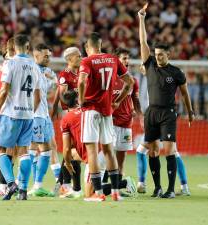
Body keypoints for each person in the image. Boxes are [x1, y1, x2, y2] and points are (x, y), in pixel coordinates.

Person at [138, 3, 194, 198]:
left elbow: (185, 94)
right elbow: (143, 41)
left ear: (168, 55)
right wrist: (141, 19)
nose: (158, 56)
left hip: (168, 113)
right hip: (151, 112)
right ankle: (157, 187)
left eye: (161, 54)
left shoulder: (176, 72)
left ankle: (170, 189)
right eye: (156, 54)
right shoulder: (150, 65)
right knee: (152, 151)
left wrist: (190, 112)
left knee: (169, 150)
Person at [78, 32, 134, 202]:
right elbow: (129, 82)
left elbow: (81, 82)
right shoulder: (113, 59)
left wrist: (81, 100)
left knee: (93, 151)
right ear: (100, 45)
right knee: (109, 151)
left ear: (88, 47)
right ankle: (116, 192)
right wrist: (117, 101)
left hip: (91, 110)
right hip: (107, 112)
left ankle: (97, 193)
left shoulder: (87, 61)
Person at [0, 34, 41, 200]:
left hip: (11, 113)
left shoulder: (10, 64)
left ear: (14, 48)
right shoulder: (34, 65)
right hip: (28, 114)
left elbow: (3, 91)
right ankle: (23, 190)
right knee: (24, 152)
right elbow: (38, 95)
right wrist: (31, 111)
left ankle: (10, 184)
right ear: (27, 47)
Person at [51, 46, 82, 198]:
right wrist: (71, 103)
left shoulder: (81, 72)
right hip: (70, 114)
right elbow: (62, 95)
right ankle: (67, 185)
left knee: (70, 151)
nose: (81, 57)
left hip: (79, 114)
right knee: (70, 150)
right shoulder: (65, 75)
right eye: (78, 56)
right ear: (70, 59)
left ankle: (62, 184)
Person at [27, 43, 56, 197]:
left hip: (44, 114)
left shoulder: (47, 72)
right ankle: (27, 184)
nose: (48, 58)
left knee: (48, 148)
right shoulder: (31, 70)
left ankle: (36, 185)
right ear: (36, 56)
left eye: (49, 56)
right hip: (35, 115)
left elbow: (55, 87)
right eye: (46, 56)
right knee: (33, 148)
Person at [0, 37, 16, 196]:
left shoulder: (1, 66)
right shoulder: (12, 66)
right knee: (8, 151)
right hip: (7, 111)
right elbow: (5, 91)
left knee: (1, 148)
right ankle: (5, 184)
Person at [112, 47, 142, 189]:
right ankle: (109, 184)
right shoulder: (110, 78)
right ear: (117, 60)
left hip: (126, 123)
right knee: (107, 155)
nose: (127, 61)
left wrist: (139, 114)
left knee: (121, 158)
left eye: (128, 58)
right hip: (110, 123)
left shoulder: (133, 81)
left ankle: (117, 186)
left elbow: (135, 100)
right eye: (124, 58)